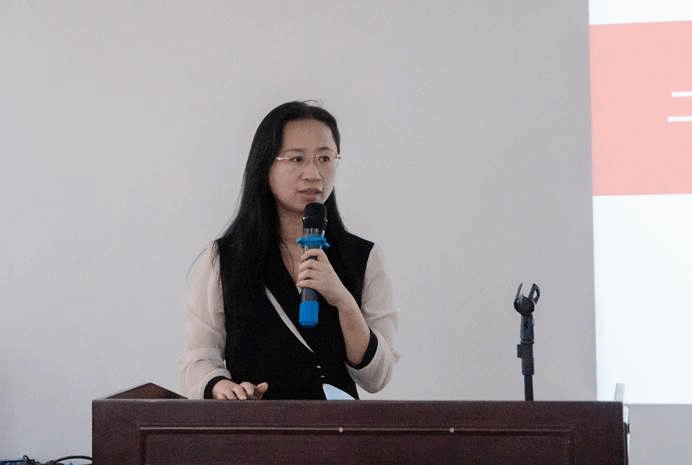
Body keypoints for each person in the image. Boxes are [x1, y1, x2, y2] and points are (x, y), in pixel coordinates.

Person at [178, 101, 399, 400]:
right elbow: (197, 359)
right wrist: (223, 388)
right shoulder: (226, 257)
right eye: (297, 159)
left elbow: (377, 377)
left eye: (325, 158)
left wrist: (344, 301)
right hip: (254, 424)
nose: (313, 173)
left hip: (336, 426)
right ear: (265, 165)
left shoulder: (362, 257)